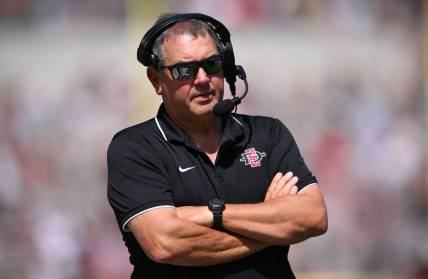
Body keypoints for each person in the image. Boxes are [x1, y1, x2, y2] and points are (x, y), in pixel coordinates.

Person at [107, 13, 327, 279]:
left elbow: (313, 217)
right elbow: (165, 243)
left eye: (211, 64)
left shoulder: (268, 133)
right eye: (184, 70)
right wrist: (271, 228)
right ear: (156, 81)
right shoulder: (134, 147)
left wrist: (213, 213)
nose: (201, 78)